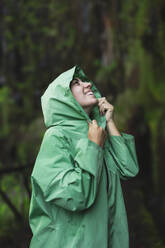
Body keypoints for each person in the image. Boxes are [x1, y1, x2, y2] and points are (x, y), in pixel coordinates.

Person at [29, 65, 139, 248]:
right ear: (63, 97)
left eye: (85, 81)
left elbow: (129, 169)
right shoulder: (56, 136)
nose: (88, 84)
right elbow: (75, 196)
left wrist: (109, 122)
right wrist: (93, 146)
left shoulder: (97, 131)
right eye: (76, 83)